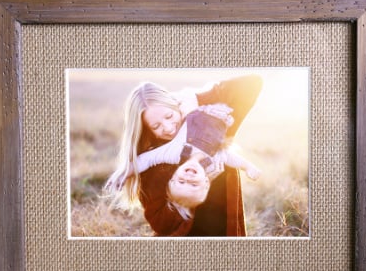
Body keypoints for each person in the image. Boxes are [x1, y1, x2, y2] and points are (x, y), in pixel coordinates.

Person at [105, 74, 263, 237]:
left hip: (225, 232)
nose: (168, 128)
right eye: (156, 126)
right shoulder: (162, 156)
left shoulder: (208, 122)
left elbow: (252, 83)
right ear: (146, 129)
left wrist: (197, 99)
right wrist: (191, 194)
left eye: (169, 116)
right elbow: (161, 225)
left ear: (177, 105)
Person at [116, 103, 261, 221]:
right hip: (220, 112)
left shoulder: (173, 154)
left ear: (172, 177)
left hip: (192, 109)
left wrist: (123, 174)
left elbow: (145, 160)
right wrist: (248, 166)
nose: (188, 179)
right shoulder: (214, 161)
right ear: (206, 182)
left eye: (181, 182)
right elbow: (232, 158)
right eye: (193, 184)